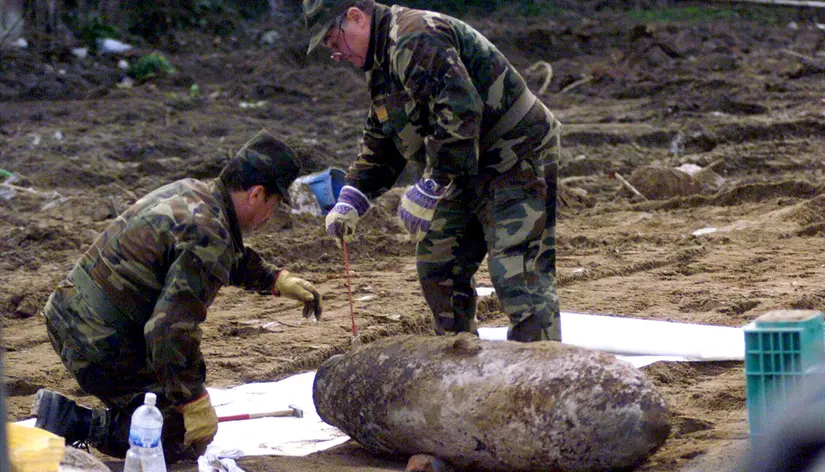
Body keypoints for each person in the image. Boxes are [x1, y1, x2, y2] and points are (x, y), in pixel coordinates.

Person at [32, 130, 322, 463]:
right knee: (178, 431)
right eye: (274, 204)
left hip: (68, 312)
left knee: (175, 388)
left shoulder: (194, 192)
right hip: (95, 339)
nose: (271, 216)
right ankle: (76, 422)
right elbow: (168, 332)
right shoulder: (210, 232)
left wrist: (274, 279)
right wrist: (193, 402)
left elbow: (216, 254)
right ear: (257, 194)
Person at [304, 0, 562, 342]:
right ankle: (458, 365)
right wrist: (353, 194)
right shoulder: (381, 62)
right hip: (464, 163)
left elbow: (460, 110)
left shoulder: (414, 36)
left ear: (355, 17)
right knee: (438, 264)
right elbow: (385, 132)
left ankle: (540, 382)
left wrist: (432, 185)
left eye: (335, 42)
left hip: (516, 154)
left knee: (517, 273)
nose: (336, 54)